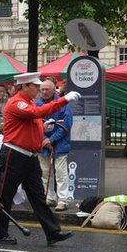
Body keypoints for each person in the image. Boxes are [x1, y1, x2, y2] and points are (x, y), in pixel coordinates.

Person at [0, 72, 77, 246]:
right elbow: (37, 112)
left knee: (38, 196)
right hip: (14, 154)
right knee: (5, 195)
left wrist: (43, 128)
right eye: (35, 86)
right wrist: (64, 100)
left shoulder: (28, 102)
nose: (38, 89)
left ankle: (52, 231)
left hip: (28, 156)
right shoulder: (17, 102)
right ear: (24, 86)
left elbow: (33, 121)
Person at [36, 77, 74, 211]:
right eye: (42, 89)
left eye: (47, 89)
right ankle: (49, 197)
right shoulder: (37, 104)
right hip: (43, 144)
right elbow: (35, 124)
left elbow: (66, 125)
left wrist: (51, 140)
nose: (44, 92)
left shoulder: (63, 104)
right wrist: (43, 139)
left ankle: (63, 199)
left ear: (54, 90)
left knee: (61, 173)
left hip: (60, 144)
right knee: (45, 172)